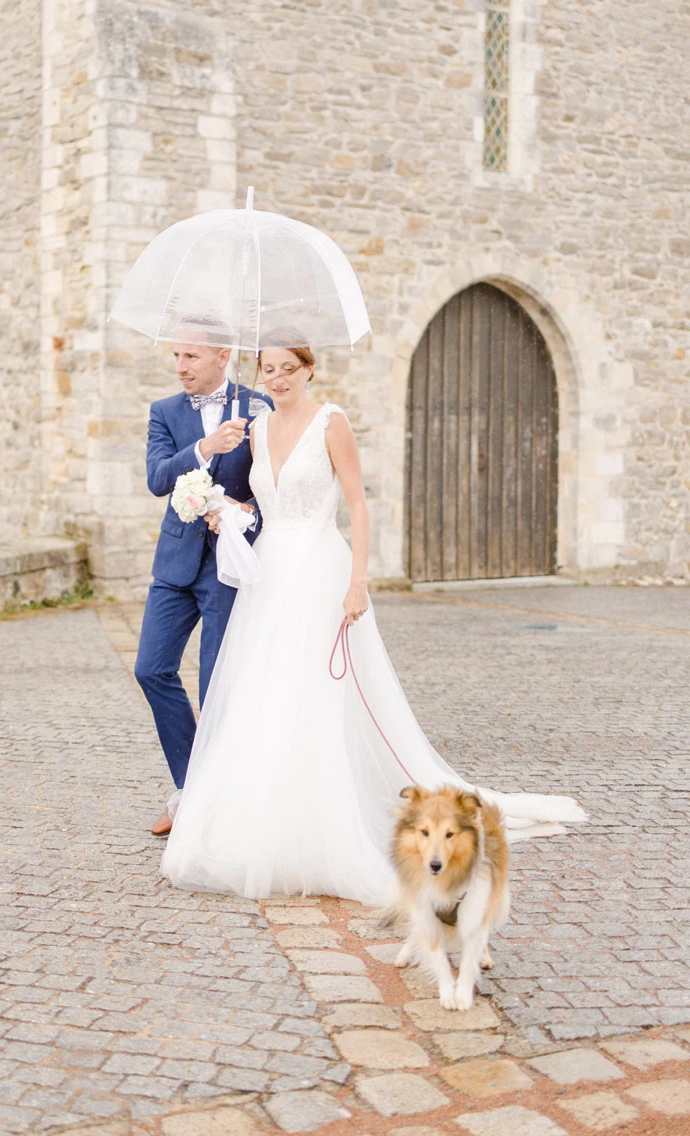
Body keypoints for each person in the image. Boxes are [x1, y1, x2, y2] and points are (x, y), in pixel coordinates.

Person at [161, 338, 587, 901]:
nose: (279, 379)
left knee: (314, 690)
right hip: (268, 576)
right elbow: (264, 504)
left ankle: (322, 824)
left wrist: (357, 581)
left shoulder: (330, 422)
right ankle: (266, 813)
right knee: (265, 691)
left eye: (289, 369)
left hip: (320, 570)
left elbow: (357, 505)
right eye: (269, 370)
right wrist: (232, 511)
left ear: (309, 370)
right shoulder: (257, 429)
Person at [135, 333, 269, 836]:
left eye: (190, 356)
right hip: (175, 561)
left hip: (229, 566)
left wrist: (246, 514)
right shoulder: (164, 411)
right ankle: (194, 787)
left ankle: (209, 804)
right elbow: (157, 477)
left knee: (215, 685)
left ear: (221, 356)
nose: (180, 366)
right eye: (176, 356)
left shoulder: (259, 406)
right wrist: (204, 447)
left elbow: (274, 485)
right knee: (151, 669)